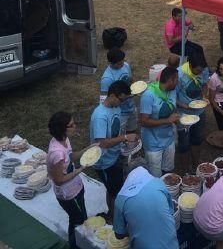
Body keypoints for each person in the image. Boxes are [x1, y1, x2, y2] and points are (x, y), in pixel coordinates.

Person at [90, 80, 137, 220]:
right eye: (121, 99)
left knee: (114, 188)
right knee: (114, 191)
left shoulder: (115, 107)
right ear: (112, 96)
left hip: (114, 156)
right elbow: (102, 143)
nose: (122, 103)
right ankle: (113, 217)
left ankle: (113, 213)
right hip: (103, 161)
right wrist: (124, 138)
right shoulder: (100, 116)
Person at [47, 112, 90, 247]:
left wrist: (88, 150)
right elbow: (59, 179)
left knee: (82, 217)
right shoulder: (57, 153)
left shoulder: (64, 139)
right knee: (77, 221)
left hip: (76, 187)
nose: (75, 126)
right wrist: (79, 170)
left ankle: (82, 241)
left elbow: (70, 157)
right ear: (62, 129)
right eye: (71, 125)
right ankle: (75, 244)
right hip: (68, 194)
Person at [113, 161, 178, 249]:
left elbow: (119, 234)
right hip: (170, 244)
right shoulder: (158, 183)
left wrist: (134, 228)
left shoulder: (120, 198)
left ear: (126, 177)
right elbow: (170, 212)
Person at [140, 66, 180, 177]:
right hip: (153, 143)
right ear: (170, 80)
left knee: (168, 171)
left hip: (168, 138)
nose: (178, 82)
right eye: (176, 80)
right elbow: (143, 121)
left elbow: (172, 108)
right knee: (155, 176)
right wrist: (167, 120)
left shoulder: (172, 91)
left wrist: (176, 119)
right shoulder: (148, 95)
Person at [176, 48, 210, 173]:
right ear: (190, 65)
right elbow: (173, 97)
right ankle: (185, 169)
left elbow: (205, 84)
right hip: (183, 115)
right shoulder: (179, 75)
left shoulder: (204, 70)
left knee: (197, 139)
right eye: (197, 71)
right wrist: (186, 106)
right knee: (184, 144)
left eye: (201, 70)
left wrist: (205, 97)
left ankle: (196, 165)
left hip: (199, 111)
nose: (199, 73)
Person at [100, 48, 137, 133]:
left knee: (132, 129)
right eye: (119, 63)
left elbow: (130, 79)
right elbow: (104, 99)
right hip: (120, 112)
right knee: (120, 135)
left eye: (123, 61)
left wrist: (136, 86)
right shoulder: (107, 79)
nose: (122, 64)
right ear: (111, 62)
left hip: (131, 107)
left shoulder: (125, 65)